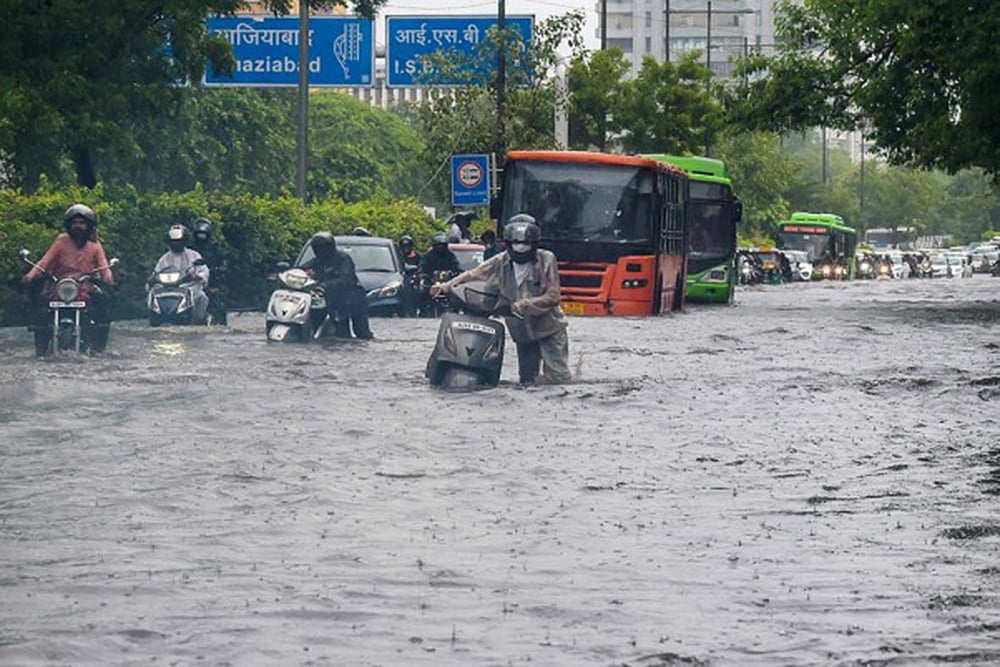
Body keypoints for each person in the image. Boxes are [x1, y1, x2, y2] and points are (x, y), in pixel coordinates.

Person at [431, 214, 572, 386]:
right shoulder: (500, 261)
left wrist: (520, 305)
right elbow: (473, 274)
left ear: (534, 243)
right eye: (517, 244)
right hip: (522, 332)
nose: (521, 248)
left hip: (550, 328)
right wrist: (445, 286)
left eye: (526, 244)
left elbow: (553, 296)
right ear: (508, 243)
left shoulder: (547, 259)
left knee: (558, 378)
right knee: (527, 381)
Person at [22, 204, 115, 354]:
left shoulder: (95, 246)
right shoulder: (61, 241)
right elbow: (44, 261)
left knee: (104, 300)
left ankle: (98, 346)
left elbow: (104, 267)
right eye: (75, 223)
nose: (78, 226)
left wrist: (108, 278)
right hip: (59, 287)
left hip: (84, 287)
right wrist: (30, 275)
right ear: (68, 225)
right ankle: (41, 345)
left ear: (89, 226)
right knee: (39, 303)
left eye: (82, 223)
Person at [308, 232, 374, 339]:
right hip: (332, 301)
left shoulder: (343, 259)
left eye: (322, 249)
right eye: (317, 249)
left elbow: (347, 279)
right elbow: (303, 269)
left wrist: (325, 285)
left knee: (361, 332)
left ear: (329, 248)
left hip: (353, 298)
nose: (320, 252)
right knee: (341, 332)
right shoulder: (316, 262)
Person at [151, 224, 210, 323]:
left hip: (190, 288)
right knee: (152, 293)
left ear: (185, 241)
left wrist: (197, 276)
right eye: (174, 241)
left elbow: (204, 272)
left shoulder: (194, 255)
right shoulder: (164, 259)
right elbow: (156, 272)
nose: (176, 243)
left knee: (202, 296)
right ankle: (157, 318)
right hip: (167, 290)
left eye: (179, 241)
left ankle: (198, 321)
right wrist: (152, 279)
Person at [189, 218, 228, 325]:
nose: (201, 237)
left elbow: (223, 264)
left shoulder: (215, 248)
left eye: (203, 234)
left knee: (217, 298)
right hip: (190, 281)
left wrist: (217, 270)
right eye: (199, 234)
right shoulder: (189, 248)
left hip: (211, 281)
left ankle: (219, 322)